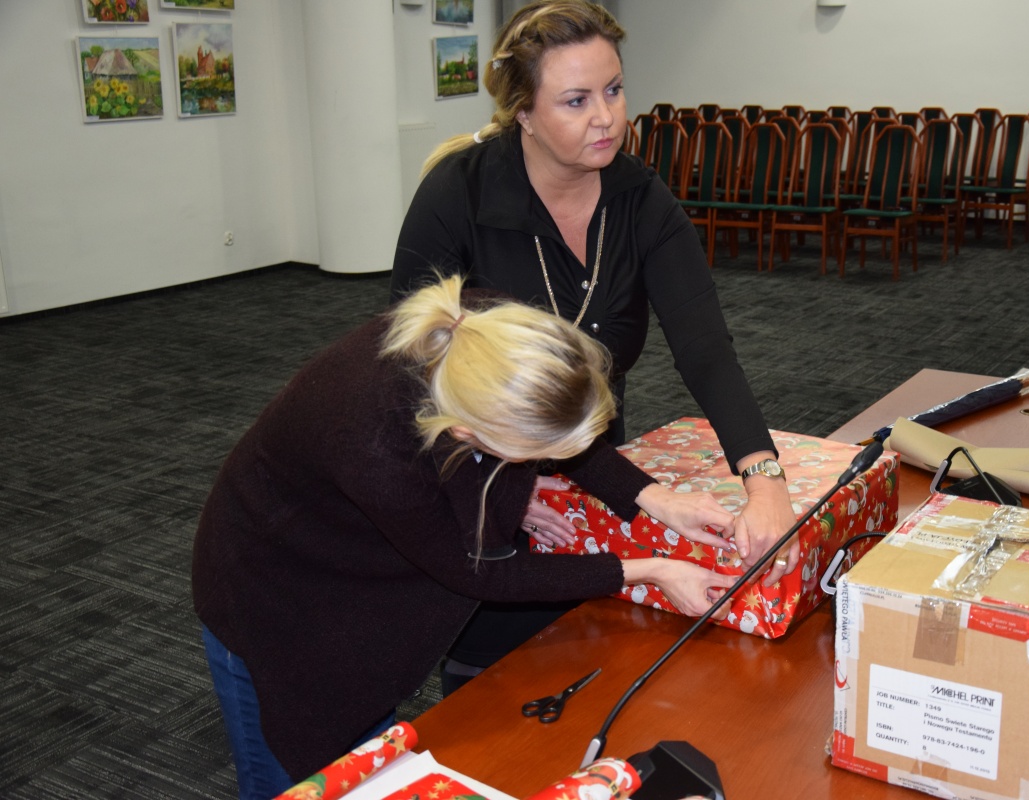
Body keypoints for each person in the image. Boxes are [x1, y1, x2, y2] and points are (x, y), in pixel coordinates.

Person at [191, 276, 739, 798]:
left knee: (366, 759)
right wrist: (652, 569)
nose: (546, 465)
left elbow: (556, 420)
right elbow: (481, 570)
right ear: (466, 433)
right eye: (532, 458)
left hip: (359, 569)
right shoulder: (376, 443)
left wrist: (654, 498)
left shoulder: (487, 334)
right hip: (276, 598)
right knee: (300, 776)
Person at [390, 0, 797, 585]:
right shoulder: (457, 195)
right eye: (576, 101)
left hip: (599, 467)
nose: (606, 117)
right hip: (472, 473)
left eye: (614, 90)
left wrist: (764, 481)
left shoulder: (642, 200)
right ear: (524, 112)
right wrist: (494, 486)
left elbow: (705, 350)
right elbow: (407, 374)